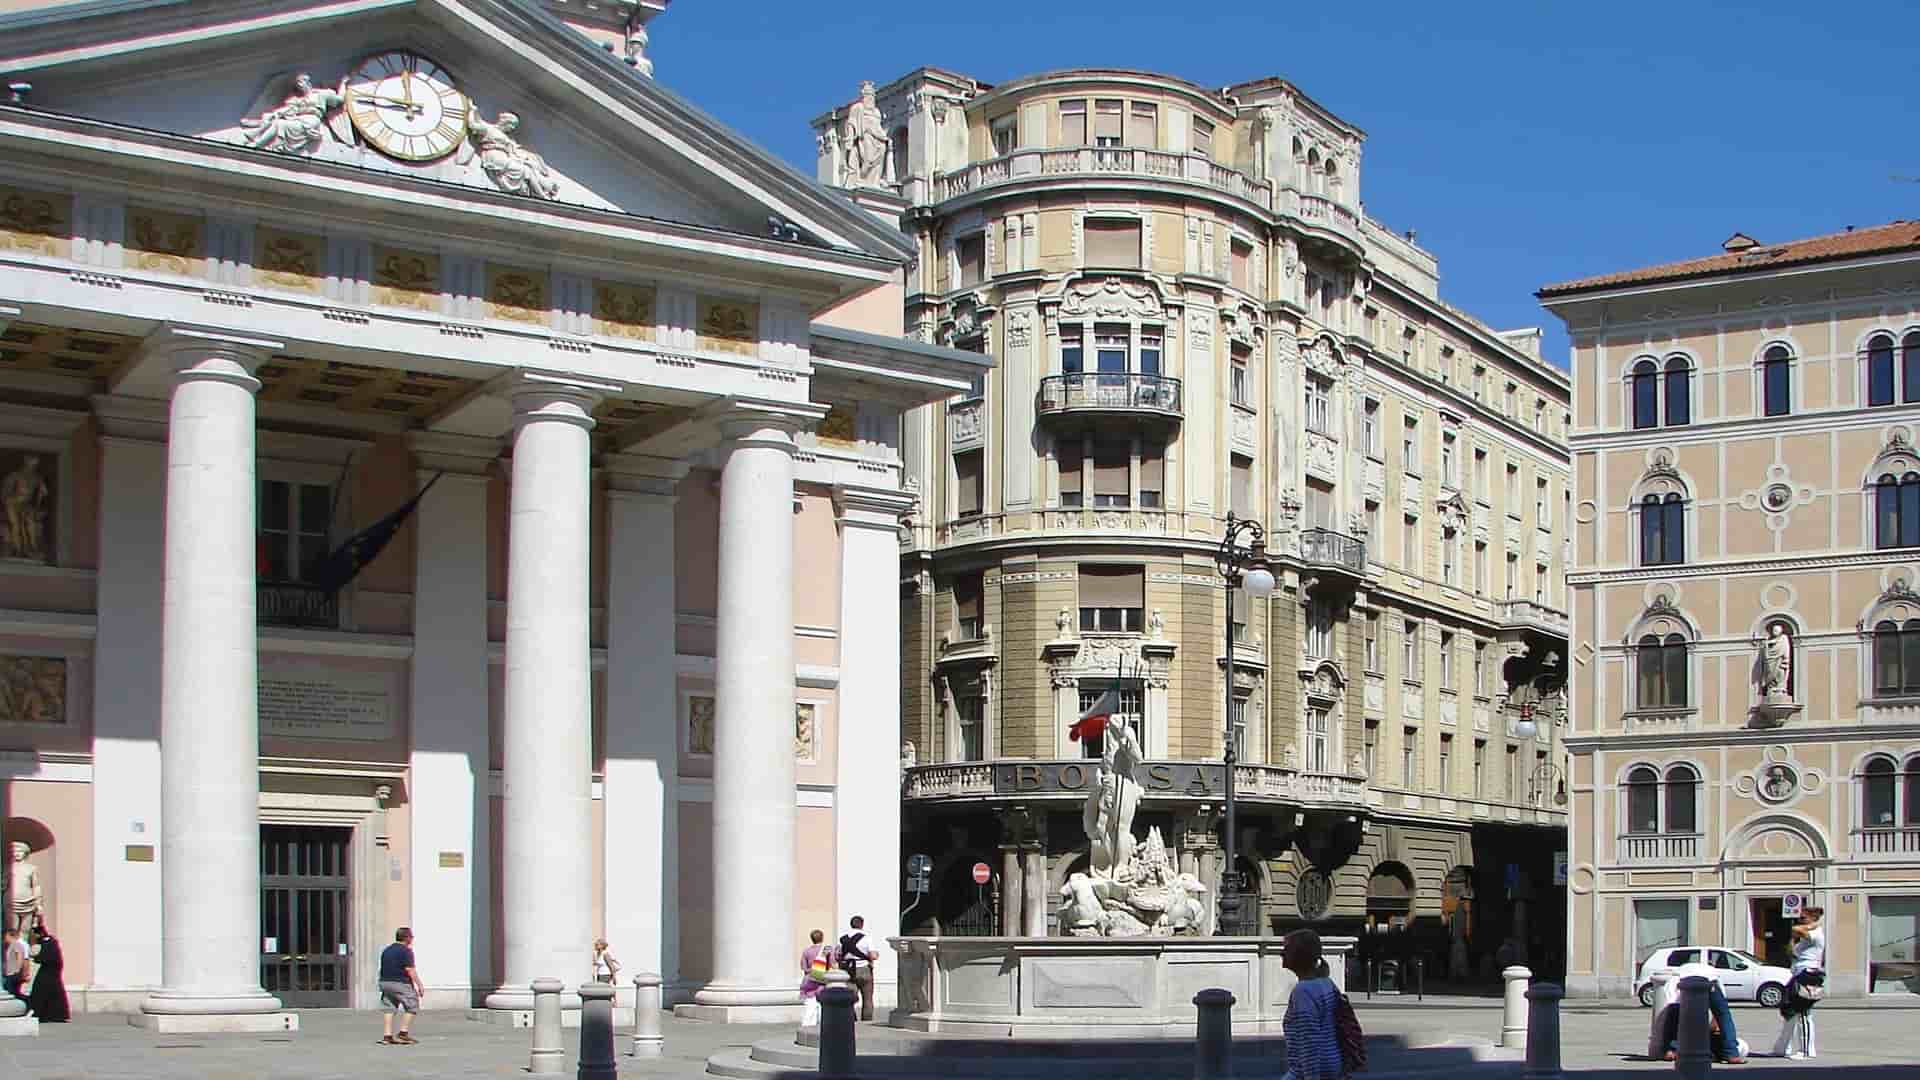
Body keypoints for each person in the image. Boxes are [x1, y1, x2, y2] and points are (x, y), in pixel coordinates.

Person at [1649, 964, 1745, 1064]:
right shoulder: (1710, 973)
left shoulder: (1673, 981)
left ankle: (1672, 1050)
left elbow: (1673, 1014)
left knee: (1673, 1014)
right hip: (1710, 981)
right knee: (1724, 1015)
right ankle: (1731, 1054)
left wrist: (1668, 1047)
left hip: (1691, 982)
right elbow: (1721, 1012)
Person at [1282, 930, 1345, 1080]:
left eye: (1286, 950)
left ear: (1299, 955)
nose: (1281, 954)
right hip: (1332, 1063)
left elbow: (1309, 1041)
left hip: (1311, 1071)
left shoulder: (1303, 991)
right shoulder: (1327, 983)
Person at [1772, 907, 1825, 1059]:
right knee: (1788, 1010)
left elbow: (1796, 929)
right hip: (1798, 974)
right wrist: (1792, 941)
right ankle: (1782, 1048)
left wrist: (1812, 925)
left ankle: (1807, 1051)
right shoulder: (1804, 940)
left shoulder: (1816, 934)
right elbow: (1791, 951)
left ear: (1812, 919)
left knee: (1803, 1012)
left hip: (1809, 975)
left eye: (1803, 918)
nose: (1799, 921)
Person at [378, 927, 424, 1046]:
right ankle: (403, 1033)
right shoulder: (406, 951)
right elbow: (410, 970)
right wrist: (419, 985)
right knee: (412, 1005)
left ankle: (387, 1036)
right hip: (400, 983)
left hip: (385, 982)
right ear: (407, 938)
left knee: (389, 1007)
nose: (412, 939)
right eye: (411, 937)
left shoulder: (387, 950)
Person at [838, 915, 878, 1022]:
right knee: (867, 998)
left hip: (848, 970)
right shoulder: (866, 937)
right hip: (864, 969)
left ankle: (852, 1020)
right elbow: (873, 955)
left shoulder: (843, 938)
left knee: (850, 998)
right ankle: (867, 1021)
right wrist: (876, 955)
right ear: (862, 925)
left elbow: (838, 955)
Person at [23, 924, 67, 1022]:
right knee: (55, 994)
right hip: (52, 972)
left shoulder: (47, 943)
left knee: (40, 992)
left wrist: (36, 958)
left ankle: (39, 1013)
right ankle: (54, 1015)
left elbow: (45, 957)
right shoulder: (51, 942)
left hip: (48, 972)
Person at [800, 929, 832, 1028]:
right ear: (822, 938)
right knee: (823, 1006)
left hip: (810, 979)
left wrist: (811, 970)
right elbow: (831, 965)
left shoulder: (806, 951)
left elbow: (804, 968)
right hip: (823, 979)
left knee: (810, 1006)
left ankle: (807, 1027)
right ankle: (822, 1027)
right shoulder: (827, 950)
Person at [2, 927, 27, 1001]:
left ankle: (29, 1002)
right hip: (11, 973)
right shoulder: (12, 945)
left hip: (13, 974)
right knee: (13, 992)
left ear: (10, 935)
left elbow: (19, 956)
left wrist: (16, 970)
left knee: (13, 993)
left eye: (5, 936)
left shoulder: (16, 944)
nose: (5, 938)